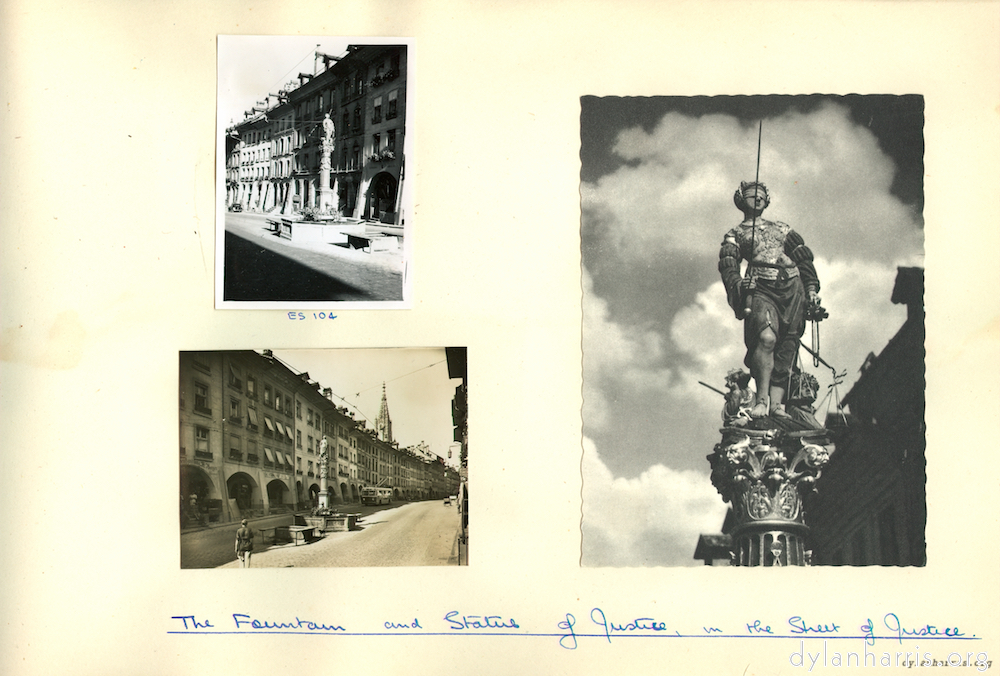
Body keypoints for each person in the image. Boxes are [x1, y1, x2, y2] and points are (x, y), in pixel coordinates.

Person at [718, 181, 822, 419]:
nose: (758, 199)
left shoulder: (782, 228)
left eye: (762, 196)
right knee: (766, 338)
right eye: (752, 196)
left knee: (787, 346)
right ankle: (762, 400)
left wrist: (812, 289)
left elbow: (802, 257)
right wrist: (738, 285)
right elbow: (728, 265)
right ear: (741, 200)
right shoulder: (735, 234)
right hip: (761, 287)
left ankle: (776, 404)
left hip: (792, 287)